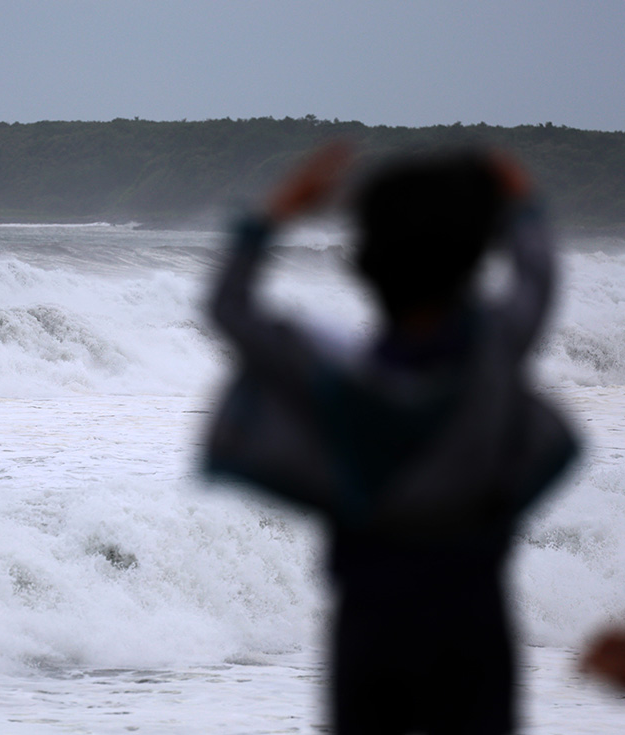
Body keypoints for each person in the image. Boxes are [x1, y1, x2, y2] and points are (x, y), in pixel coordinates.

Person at [204, 143, 578, 734]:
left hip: (372, 623)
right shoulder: (492, 355)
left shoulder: (335, 377)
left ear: (365, 266)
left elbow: (230, 309)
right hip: (472, 621)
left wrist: (274, 214)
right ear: (472, 261)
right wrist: (521, 203)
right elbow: (538, 278)